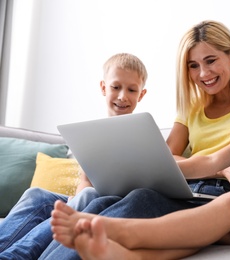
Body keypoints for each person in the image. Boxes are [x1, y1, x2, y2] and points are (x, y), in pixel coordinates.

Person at [41, 20, 230, 259]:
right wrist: (151, 165)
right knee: (200, 234)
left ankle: (118, 230)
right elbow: (211, 161)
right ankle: (124, 254)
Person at [0, 53, 148, 259]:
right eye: (116, 87)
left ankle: (16, 255)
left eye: (131, 90)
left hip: (111, 207)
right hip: (86, 200)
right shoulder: (92, 133)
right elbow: (85, 180)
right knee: (37, 195)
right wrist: (76, 199)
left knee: (89, 195)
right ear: (104, 88)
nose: (123, 96)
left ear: (141, 95)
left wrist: (81, 199)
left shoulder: (143, 132)